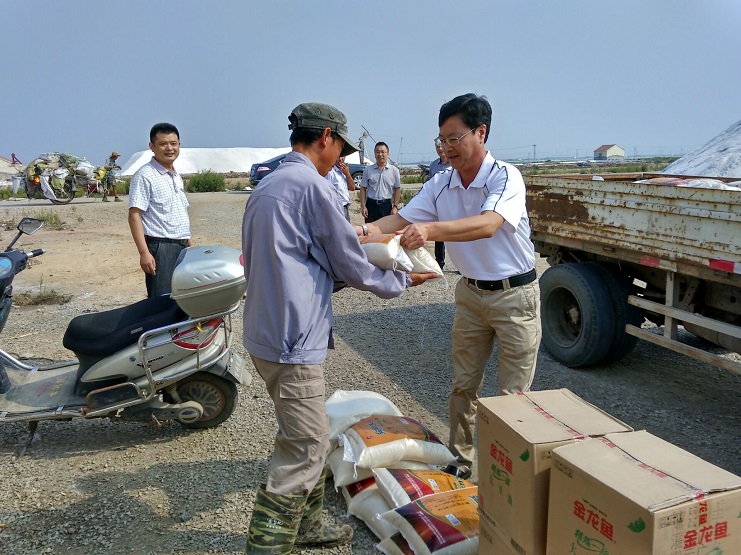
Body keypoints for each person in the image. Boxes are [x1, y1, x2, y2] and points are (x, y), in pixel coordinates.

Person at [241, 102, 438, 554]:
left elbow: (302, 255)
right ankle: (266, 545)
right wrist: (402, 279)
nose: (341, 160)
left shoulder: (268, 184)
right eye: (341, 150)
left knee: (300, 430)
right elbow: (349, 262)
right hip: (292, 337)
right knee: (308, 446)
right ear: (326, 137)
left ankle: (307, 525)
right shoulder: (313, 187)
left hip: (265, 330)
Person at [358, 93, 541, 480]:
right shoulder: (441, 183)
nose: (446, 147)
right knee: (463, 387)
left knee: (513, 399)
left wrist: (430, 230)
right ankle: (460, 460)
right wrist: (361, 231)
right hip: (471, 294)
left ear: (481, 132)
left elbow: (488, 224)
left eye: (454, 138)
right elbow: (398, 220)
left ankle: (505, 479)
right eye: (441, 140)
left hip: (515, 296)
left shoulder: (505, 176)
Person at [127, 123, 191, 298]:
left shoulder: (175, 175)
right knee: (162, 302)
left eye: (173, 143)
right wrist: (144, 253)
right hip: (161, 248)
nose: (169, 148)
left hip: (182, 246)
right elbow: (134, 215)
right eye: (163, 144)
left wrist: (189, 243)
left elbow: (179, 211)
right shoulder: (145, 175)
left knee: (183, 299)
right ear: (152, 146)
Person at [359, 141, 401, 222]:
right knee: (370, 229)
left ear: (387, 154)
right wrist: (363, 206)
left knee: (386, 229)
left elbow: (397, 189)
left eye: (383, 152)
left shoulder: (394, 171)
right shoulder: (368, 170)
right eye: (377, 152)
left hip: (386, 206)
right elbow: (363, 188)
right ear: (375, 154)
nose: (380, 154)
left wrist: (395, 206)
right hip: (371, 205)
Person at [428, 138, 452, 270]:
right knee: (439, 234)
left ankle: (462, 264)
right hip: (438, 203)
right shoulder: (433, 166)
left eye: (441, 145)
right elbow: (430, 185)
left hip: (453, 202)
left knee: (457, 231)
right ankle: (439, 263)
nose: (440, 149)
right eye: (437, 147)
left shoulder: (454, 164)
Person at [325, 155, 355, 222]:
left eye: (343, 156)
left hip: (345, 206)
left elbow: (352, 188)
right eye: (339, 156)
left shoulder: (344, 171)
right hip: (337, 207)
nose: (341, 159)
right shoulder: (330, 172)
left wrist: (348, 175)